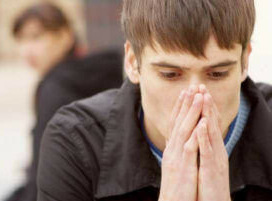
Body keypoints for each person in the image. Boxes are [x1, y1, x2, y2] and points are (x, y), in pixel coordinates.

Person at [37, 0, 272, 200]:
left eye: (217, 74)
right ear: (132, 63)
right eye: (170, 75)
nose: (195, 97)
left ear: (244, 63)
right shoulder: (77, 142)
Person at [4, 3, 123, 201]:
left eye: (36, 37)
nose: (27, 50)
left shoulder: (54, 88)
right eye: (21, 40)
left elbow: (42, 168)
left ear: (65, 36)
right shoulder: (104, 73)